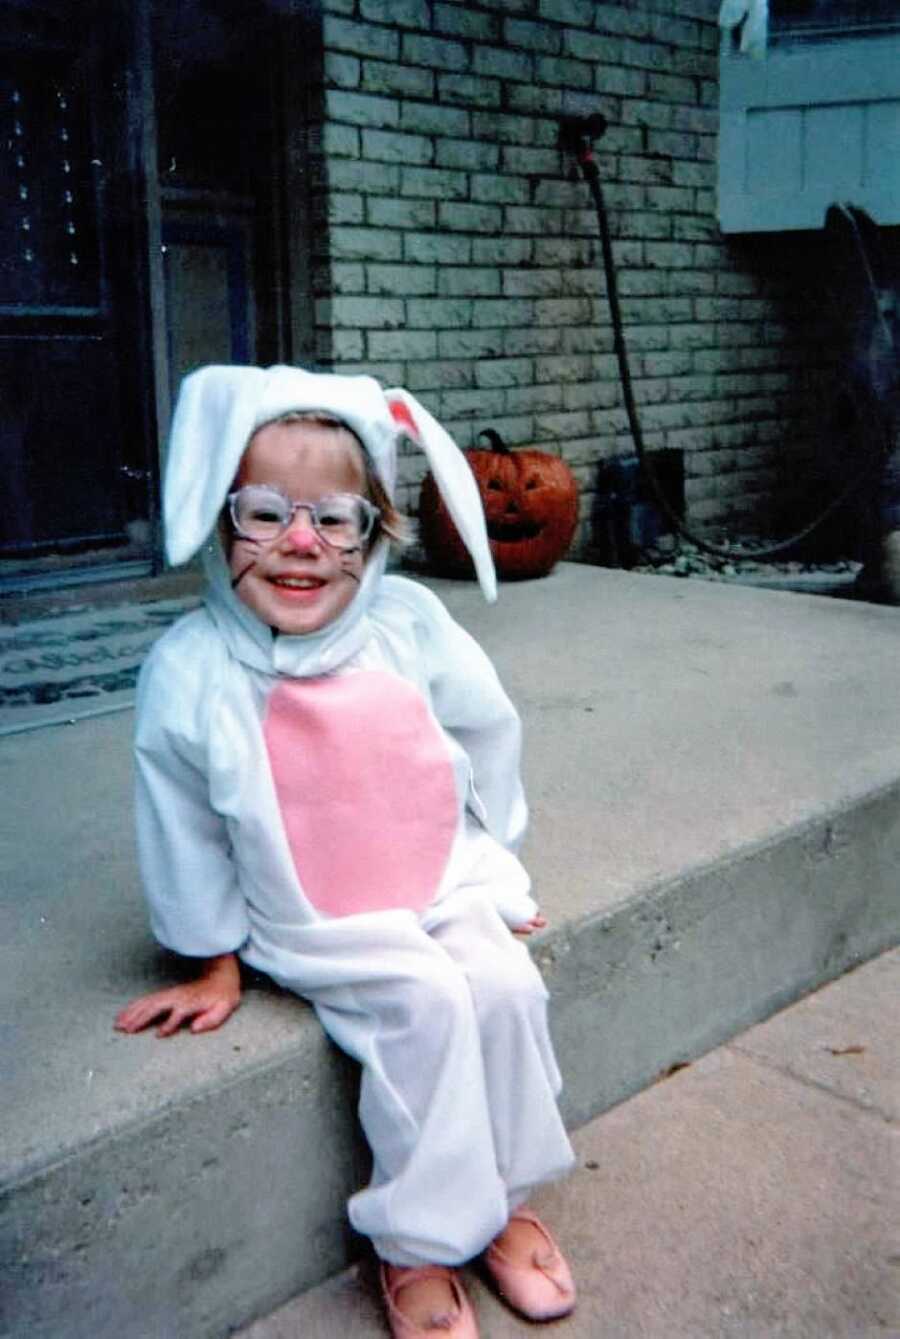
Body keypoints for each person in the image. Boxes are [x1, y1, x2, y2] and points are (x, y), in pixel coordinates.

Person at [115, 365, 576, 1339]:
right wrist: (212, 956)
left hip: (437, 875)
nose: (300, 545)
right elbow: (182, 819)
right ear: (217, 517)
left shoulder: (407, 627)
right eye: (265, 513)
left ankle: (500, 1194)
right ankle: (417, 1233)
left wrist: (496, 865)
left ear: (375, 533)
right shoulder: (194, 670)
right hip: (316, 915)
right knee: (427, 999)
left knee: (502, 984)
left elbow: (483, 731)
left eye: (334, 520)